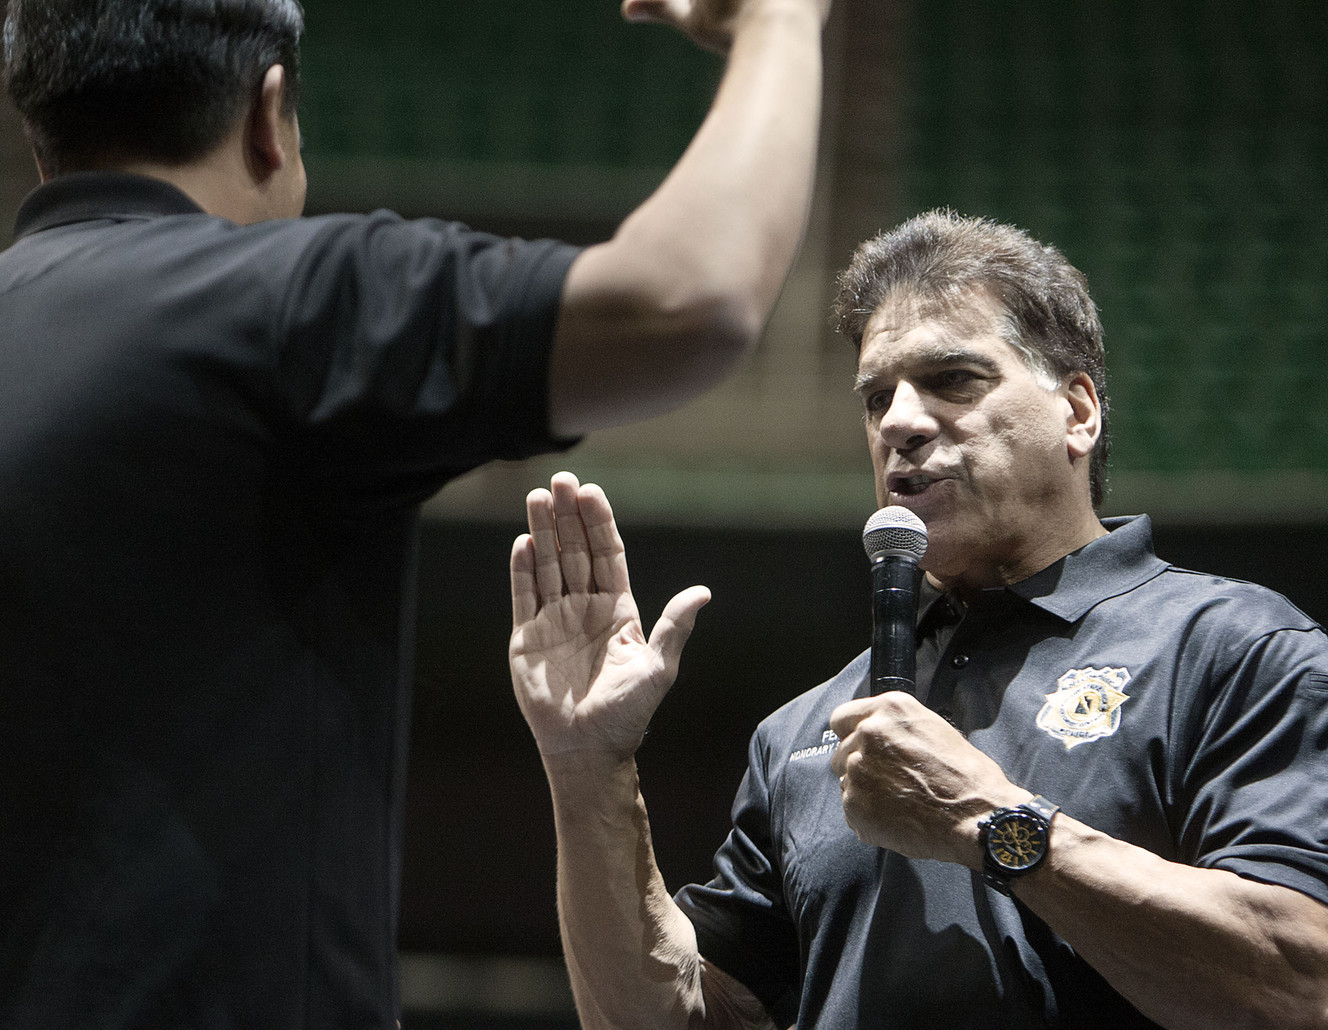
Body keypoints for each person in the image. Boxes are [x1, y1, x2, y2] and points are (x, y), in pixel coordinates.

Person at [0, 0, 832, 1025]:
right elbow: (686, 301)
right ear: (270, 116)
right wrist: (781, 22)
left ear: (39, 128)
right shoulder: (281, 300)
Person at [508, 212, 1328, 1029]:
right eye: (876, 397)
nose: (898, 421)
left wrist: (988, 823)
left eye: (953, 380)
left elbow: (1300, 984)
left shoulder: (1233, 649)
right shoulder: (802, 735)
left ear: (1078, 411)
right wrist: (588, 769)